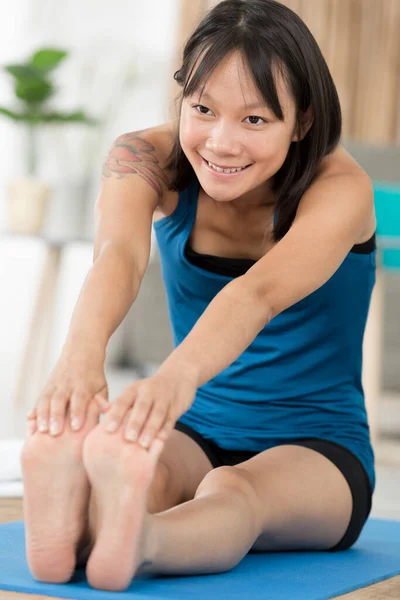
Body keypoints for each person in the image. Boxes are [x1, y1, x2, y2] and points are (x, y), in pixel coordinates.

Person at [22, 0, 376, 592]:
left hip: (318, 445)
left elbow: (257, 293)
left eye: (255, 120)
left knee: (236, 492)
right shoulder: (143, 157)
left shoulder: (341, 189)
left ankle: (142, 543)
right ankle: (79, 517)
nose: (221, 143)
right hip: (197, 428)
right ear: (181, 98)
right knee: (150, 478)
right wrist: (79, 361)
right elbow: (120, 256)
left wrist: (170, 380)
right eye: (203, 109)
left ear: (304, 121)